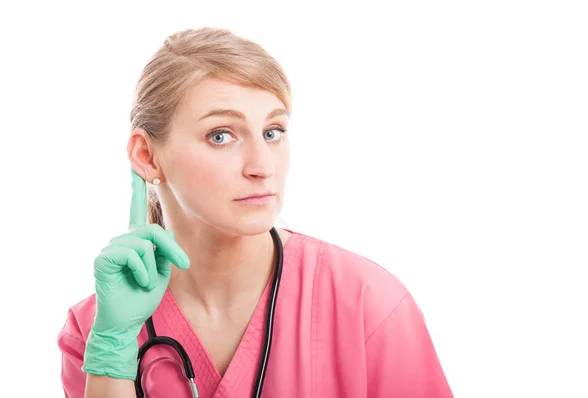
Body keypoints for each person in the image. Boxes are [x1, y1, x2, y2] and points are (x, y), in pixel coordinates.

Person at [57, 27, 454, 398]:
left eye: (272, 132)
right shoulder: (99, 328)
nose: (262, 166)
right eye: (221, 136)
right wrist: (114, 347)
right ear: (147, 156)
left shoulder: (367, 303)